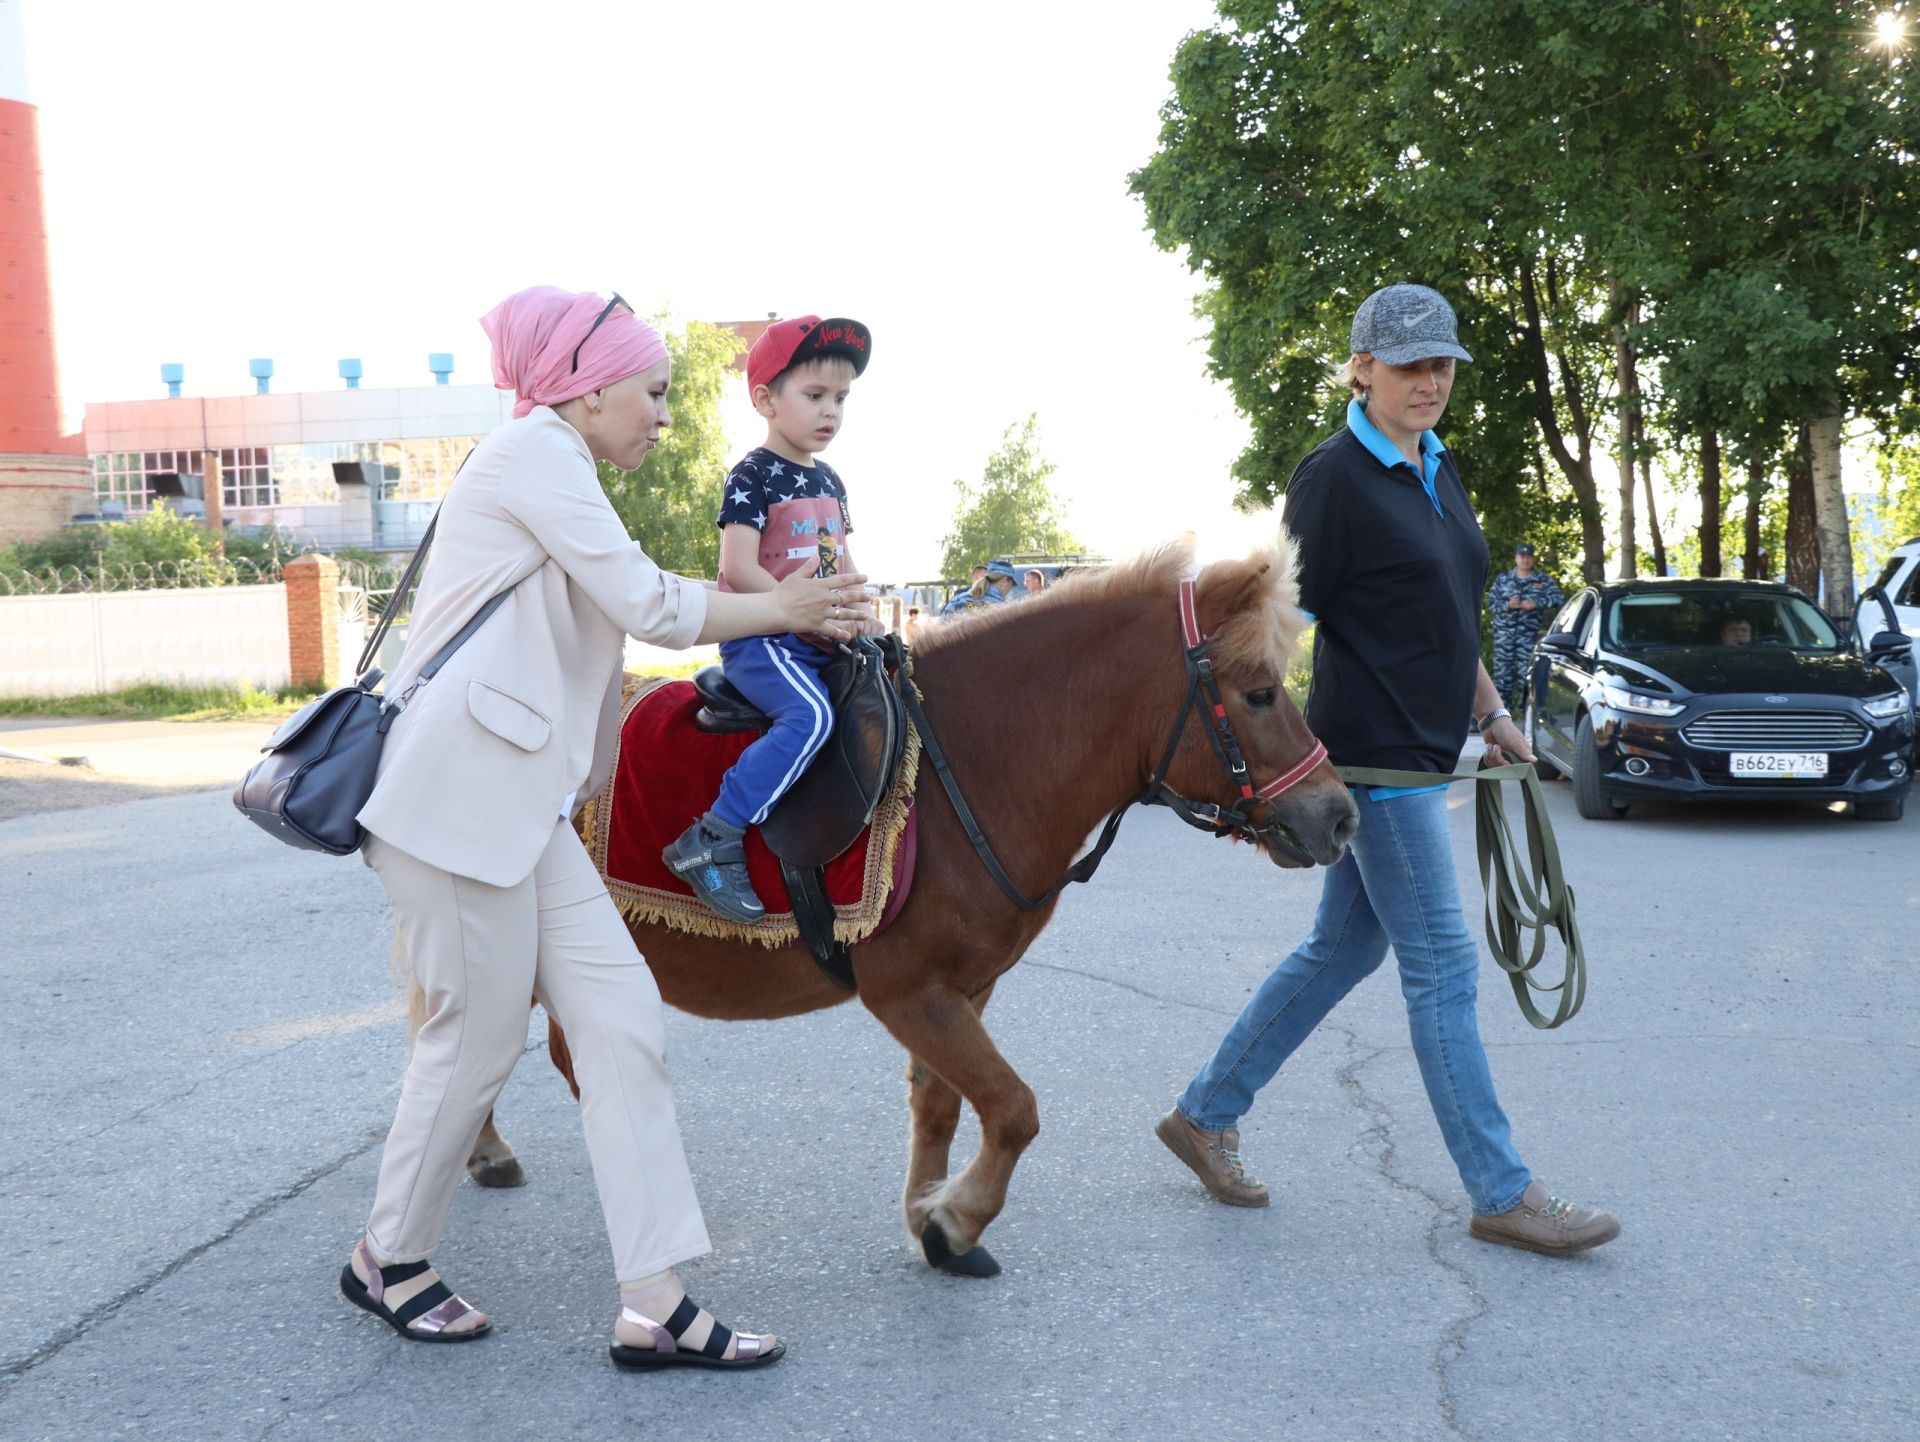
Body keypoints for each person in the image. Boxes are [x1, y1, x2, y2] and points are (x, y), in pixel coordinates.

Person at [345, 287, 869, 1370]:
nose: (666, 416)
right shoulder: (535, 453)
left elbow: (607, 630)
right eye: (653, 392)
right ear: (586, 390)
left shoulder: (562, 467)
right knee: (475, 1035)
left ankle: (655, 1299)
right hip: (455, 807)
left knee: (623, 1015)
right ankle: (387, 1254)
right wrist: (784, 608)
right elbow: (652, 602)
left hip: (518, 810)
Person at [1154, 282, 1618, 1257]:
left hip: (1428, 748)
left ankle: (1205, 1111)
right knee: (1443, 968)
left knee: (1344, 950)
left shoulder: (1437, 468)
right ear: (1361, 366)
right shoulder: (1331, 479)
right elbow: (1268, 629)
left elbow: (1447, 614)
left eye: (1442, 360)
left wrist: (1490, 712)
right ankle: (1502, 1189)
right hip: (1369, 759)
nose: (1431, 378)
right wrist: (1254, 770)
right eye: (1409, 362)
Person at [664, 315, 880, 924]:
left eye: (840, 399)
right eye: (814, 396)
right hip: (764, 639)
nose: (830, 411)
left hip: (817, 636)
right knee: (810, 717)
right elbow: (737, 569)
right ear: (765, 399)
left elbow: (840, 562)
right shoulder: (752, 474)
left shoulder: (830, 481)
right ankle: (714, 833)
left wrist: (857, 611)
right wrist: (795, 610)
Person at [1487, 543, 1564, 710]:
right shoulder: (1503, 579)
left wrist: (1536, 603)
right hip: (1504, 639)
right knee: (1502, 680)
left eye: (1528, 557)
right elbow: (1491, 604)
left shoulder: (1542, 581)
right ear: (1516, 558)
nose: (1525, 560)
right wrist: (1507, 605)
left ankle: (1527, 717)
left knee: (1527, 679)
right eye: (1522, 556)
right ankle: (1501, 716)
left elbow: (1559, 598)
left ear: (1533, 559)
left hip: (1527, 638)